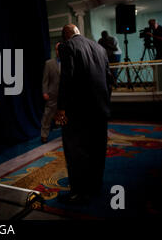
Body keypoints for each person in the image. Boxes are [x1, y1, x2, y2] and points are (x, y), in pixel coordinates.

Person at [54, 24, 113, 204]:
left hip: (77, 111)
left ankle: (79, 192)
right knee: (97, 148)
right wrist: (104, 101)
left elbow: (67, 77)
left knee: (76, 151)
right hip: (100, 108)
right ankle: (95, 185)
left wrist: (61, 108)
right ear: (78, 32)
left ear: (65, 36)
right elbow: (109, 79)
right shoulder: (100, 48)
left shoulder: (67, 46)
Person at [41, 42, 61, 143]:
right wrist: (45, 92)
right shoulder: (49, 63)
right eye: (57, 49)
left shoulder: (68, 62)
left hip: (65, 95)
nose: (59, 51)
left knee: (66, 116)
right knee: (47, 115)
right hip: (52, 94)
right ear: (55, 51)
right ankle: (44, 135)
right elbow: (45, 80)